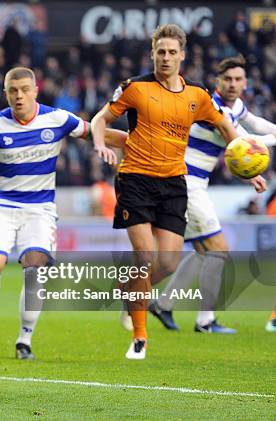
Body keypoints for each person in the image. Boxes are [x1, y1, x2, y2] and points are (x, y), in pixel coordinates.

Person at [91, 24, 266, 360]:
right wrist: (100, 143)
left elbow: (227, 128)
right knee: (144, 256)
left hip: (174, 184)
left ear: (182, 56)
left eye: (172, 52)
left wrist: (250, 171)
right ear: (153, 54)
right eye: (160, 52)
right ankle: (139, 338)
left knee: (168, 263)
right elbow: (101, 118)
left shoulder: (197, 96)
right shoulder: (134, 88)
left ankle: (129, 291)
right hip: (136, 179)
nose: (166, 58)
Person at [0, 66, 123, 360]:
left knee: (35, 268)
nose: (19, 96)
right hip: (3, 204)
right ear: (6, 93)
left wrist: (135, 142)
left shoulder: (57, 119)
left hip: (40, 209)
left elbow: (93, 130)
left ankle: (24, 340)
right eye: (13, 91)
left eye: (24, 90)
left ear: (35, 90)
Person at [149, 55, 276, 334]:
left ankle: (163, 304)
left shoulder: (236, 106)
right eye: (227, 79)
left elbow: (255, 122)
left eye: (238, 79)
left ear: (246, 82)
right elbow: (245, 142)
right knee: (217, 249)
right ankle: (205, 320)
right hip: (185, 183)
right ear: (218, 82)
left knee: (202, 250)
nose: (232, 84)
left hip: (193, 184)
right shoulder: (214, 108)